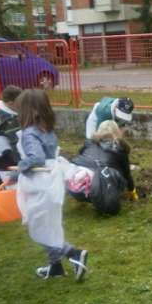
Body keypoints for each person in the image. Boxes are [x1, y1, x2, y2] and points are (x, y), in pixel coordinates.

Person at [16, 89, 89, 281]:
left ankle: (73, 253)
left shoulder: (29, 133)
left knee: (39, 227)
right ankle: (55, 266)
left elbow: (37, 157)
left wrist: (21, 166)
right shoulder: (47, 130)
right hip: (52, 182)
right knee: (51, 225)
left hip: (40, 184)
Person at [68, 120, 137, 215]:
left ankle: (83, 194)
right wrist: (132, 192)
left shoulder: (89, 143)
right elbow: (127, 174)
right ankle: (104, 201)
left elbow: (82, 157)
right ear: (116, 132)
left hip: (73, 184)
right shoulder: (119, 149)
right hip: (98, 188)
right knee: (114, 173)